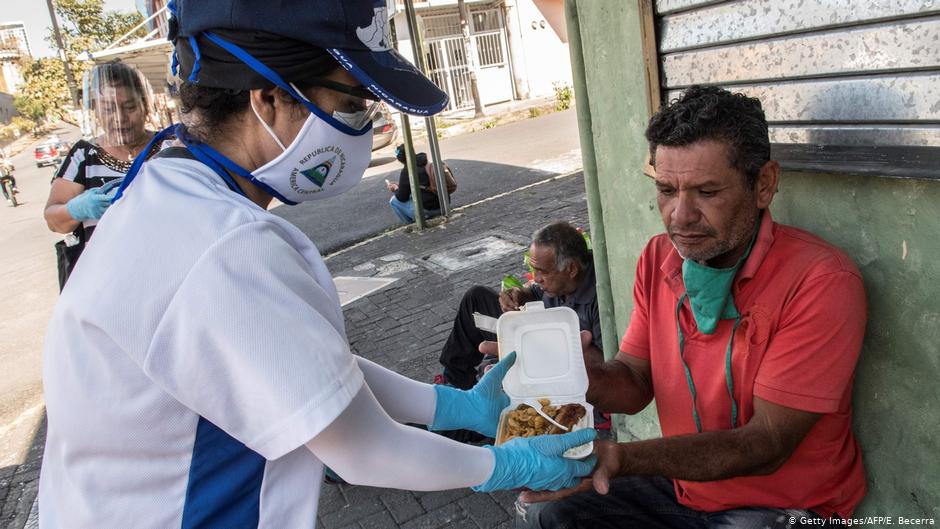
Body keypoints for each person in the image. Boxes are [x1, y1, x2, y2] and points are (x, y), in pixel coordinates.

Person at [39, 2, 597, 527]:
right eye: (351, 102)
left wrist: (453, 404)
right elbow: (363, 447)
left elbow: (309, 368)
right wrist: (504, 465)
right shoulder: (223, 244)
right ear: (268, 98)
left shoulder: (167, 191)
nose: (361, 123)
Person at [514, 86, 868, 528]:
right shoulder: (658, 259)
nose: (680, 215)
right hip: (689, 487)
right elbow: (634, 383)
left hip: (789, 506)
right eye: (666, 189)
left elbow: (767, 443)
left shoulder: (821, 280)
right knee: (551, 515)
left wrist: (617, 458)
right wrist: (572, 372)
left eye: (706, 191)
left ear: (763, 185)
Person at [438, 221, 602, 391]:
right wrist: (519, 294)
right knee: (476, 299)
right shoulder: (558, 282)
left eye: (542, 272)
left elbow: (604, 360)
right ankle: (455, 383)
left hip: (558, 358)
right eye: (534, 270)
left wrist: (549, 342)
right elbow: (536, 292)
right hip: (534, 335)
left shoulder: (600, 297)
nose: (536, 278)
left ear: (571, 269)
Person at [43, 61, 161, 286]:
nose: (120, 118)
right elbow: (54, 221)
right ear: (96, 111)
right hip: (109, 285)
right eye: (108, 109)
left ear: (144, 104)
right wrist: (76, 208)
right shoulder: (83, 156)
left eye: (129, 107)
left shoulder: (170, 146)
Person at [386, 143, 443, 222]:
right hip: (442, 204)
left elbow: (402, 197)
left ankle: (412, 224)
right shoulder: (426, 162)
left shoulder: (407, 171)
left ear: (400, 159)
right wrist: (401, 185)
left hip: (429, 209)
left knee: (394, 201)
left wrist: (395, 188)